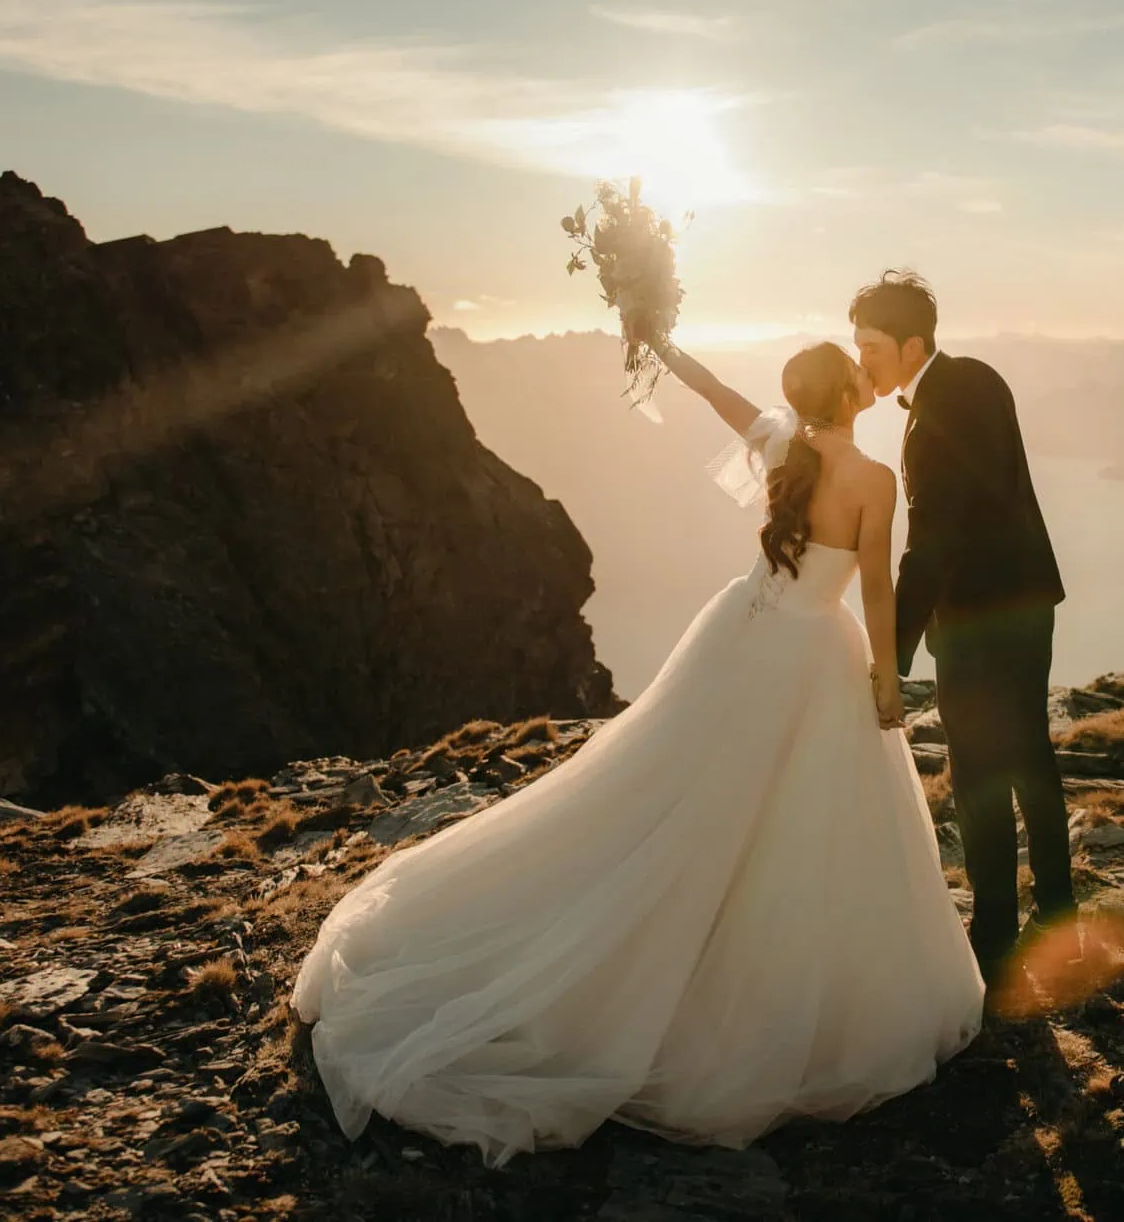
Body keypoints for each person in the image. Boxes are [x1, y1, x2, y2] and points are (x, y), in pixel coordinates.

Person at [291, 337, 983, 1166]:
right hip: (813, 654)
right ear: (843, 395)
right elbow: (874, 586)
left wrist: (656, 336)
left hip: (742, 635)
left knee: (691, 791)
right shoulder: (871, 480)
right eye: (857, 371)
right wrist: (885, 677)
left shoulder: (782, 447)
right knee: (803, 814)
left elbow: (713, 390)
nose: (870, 378)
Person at [850, 271, 1075, 989]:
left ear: (912, 346)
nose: (863, 360)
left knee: (978, 771)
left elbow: (930, 547)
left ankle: (996, 934)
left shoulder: (932, 420)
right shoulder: (981, 378)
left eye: (872, 346)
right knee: (1030, 753)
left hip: (977, 621)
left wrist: (890, 650)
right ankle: (1059, 917)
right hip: (1028, 600)